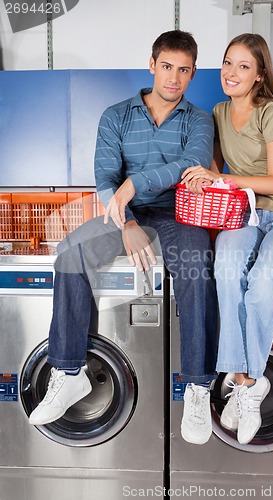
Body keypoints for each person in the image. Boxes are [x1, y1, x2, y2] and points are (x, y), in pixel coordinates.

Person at [28, 30, 218, 446]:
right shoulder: (116, 115)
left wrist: (136, 182)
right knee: (69, 253)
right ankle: (69, 372)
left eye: (184, 70)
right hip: (125, 215)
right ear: (152, 65)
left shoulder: (200, 120)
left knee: (196, 261)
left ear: (192, 73)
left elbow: (192, 164)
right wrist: (129, 222)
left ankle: (199, 387)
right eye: (167, 67)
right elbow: (104, 179)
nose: (174, 78)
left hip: (179, 213)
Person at [181, 33, 273, 445]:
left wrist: (219, 177)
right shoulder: (218, 113)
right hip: (245, 216)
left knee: (261, 284)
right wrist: (199, 178)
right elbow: (214, 173)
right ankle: (244, 384)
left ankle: (248, 381)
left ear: (259, 76)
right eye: (227, 63)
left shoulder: (271, 111)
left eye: (243, 66)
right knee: (225, 271)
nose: (232, 72)